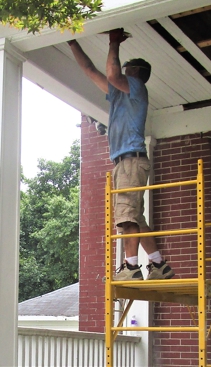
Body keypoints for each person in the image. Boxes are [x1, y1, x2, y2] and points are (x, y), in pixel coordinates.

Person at [68, 29, 174, 281]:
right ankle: (159, 265)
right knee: (136, 216)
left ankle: (131, 268)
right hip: (126, 161)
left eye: (127, 69)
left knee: (126, 217)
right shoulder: (119, 94)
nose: (122, 71)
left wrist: (114, 42)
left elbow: (113, 74)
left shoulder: (136, 87)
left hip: (130, 160)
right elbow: (91, 71)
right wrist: (73, 43)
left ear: (134, 72)